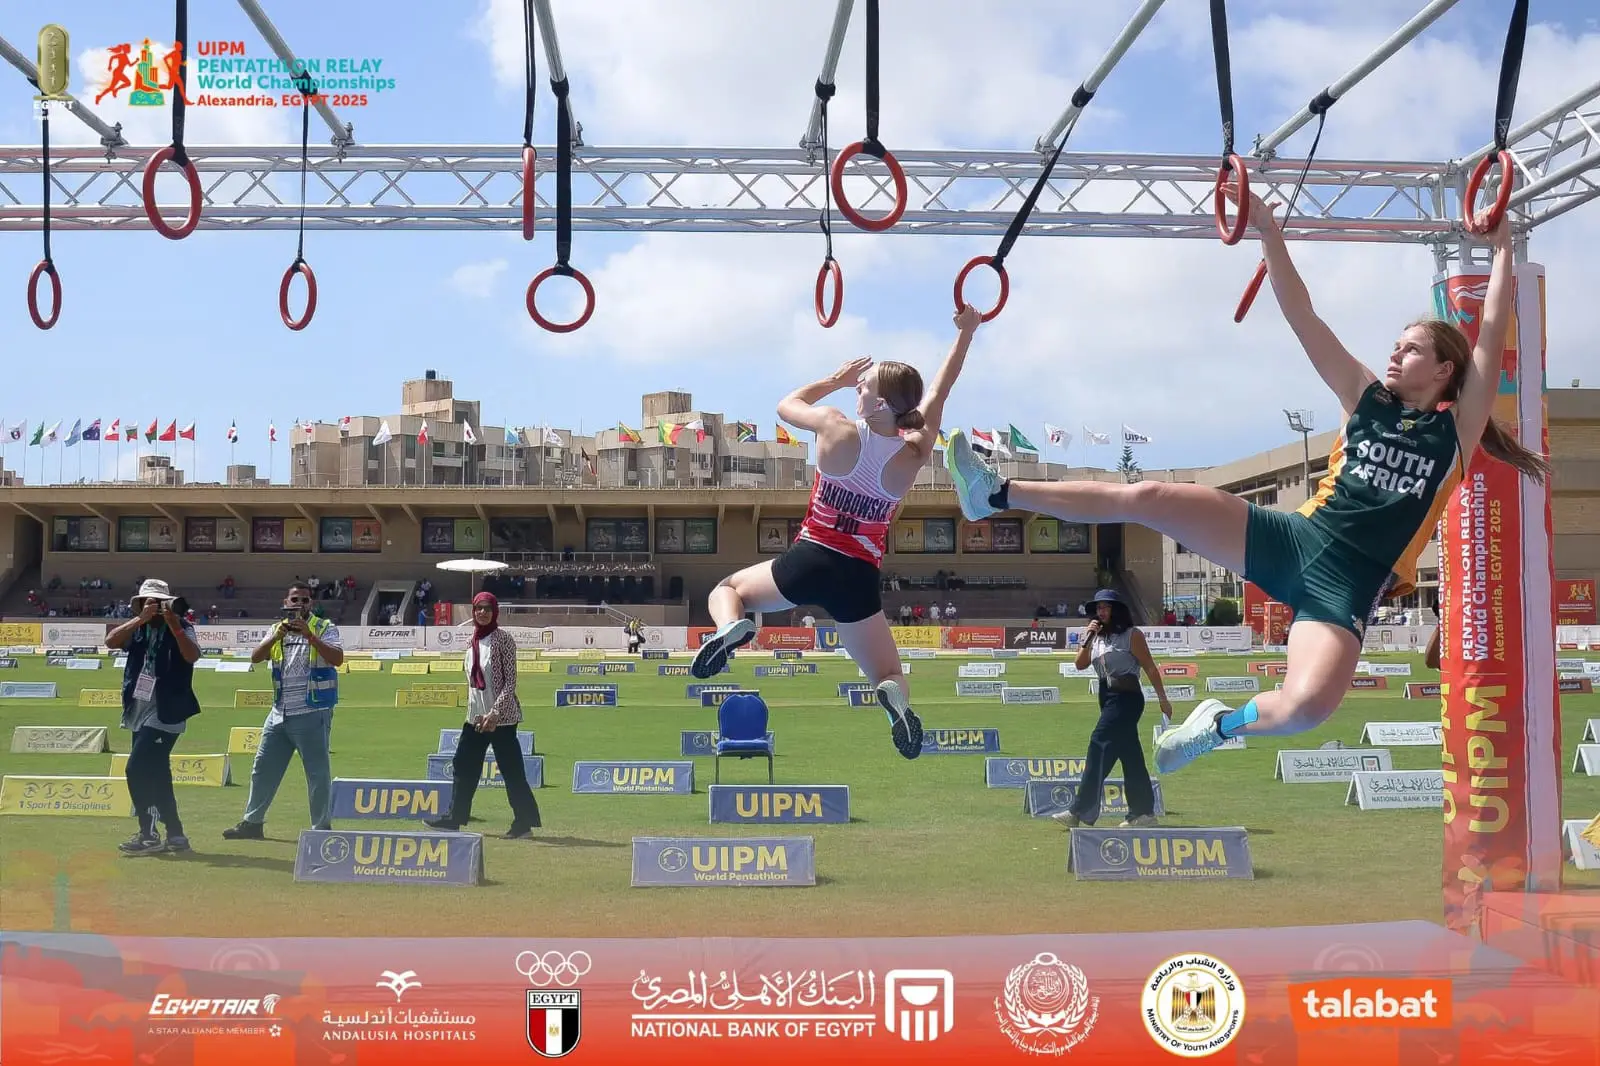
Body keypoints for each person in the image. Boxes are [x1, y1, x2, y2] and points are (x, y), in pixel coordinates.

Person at [943, 198, 1547, 775]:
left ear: (1444, 370)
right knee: (1148, 498)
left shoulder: (1457, 434)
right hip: (1295, 539)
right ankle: (994, 494)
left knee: (1307, 707)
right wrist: (1267, 231)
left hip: (1348, 587)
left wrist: (1499, 252)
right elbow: (1302, 315)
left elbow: (1491, 335)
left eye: (1410, 349)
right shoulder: (1363, 397)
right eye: (1394, 344)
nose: (1394, 353)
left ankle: (1218, 727)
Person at [690, 305, 986, 759]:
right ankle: (895, 704)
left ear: (881, 403)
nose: (857, 391)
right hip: (859, 577)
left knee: (729, 589)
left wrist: (835, 378)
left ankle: (731, 628)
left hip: (810, 558)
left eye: (863, 388)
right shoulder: (914, 451)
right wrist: (966, 333)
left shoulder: (833, 425)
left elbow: (786, 404)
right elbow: (943, 388)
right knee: (887, 671)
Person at [223, 581, 344, 839]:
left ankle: (321, 828)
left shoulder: (324, 627)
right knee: (262, 768)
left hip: (312, 709)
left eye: (304, 600)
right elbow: (255, 658)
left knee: (316, 773)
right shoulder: (276, 629)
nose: (299, 604)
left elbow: (337, 659)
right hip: (280, 710)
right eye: (295, 599)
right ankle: (252, 822)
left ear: (311, 604)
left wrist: (310, 636)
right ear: (286, 602)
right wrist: (276, 636)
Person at [426, 592, 542, 837]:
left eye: (487, 608)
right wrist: (477, 713)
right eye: (478, 608)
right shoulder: (473, 641)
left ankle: (524, 823)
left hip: (502, 719)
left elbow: (510, 682)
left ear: (495, 611)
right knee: (463, 765)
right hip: (476, 718)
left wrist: (495, 713)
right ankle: (454, 817)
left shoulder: (503, 640)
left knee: (511, 770)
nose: (482, 612)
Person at [1052, 589, 1169, 829]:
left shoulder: (1131, 635)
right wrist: (1087, 637)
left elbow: (1149, 667)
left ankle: (1078, 810)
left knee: (1098, 743)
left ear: (1117, 610)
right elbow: (1080, 664)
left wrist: (1163, 698)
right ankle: (1143, 813)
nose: (1101, 612)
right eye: (1098, 608)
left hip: (1126, 697)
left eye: (1106, 607)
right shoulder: (1096, 638)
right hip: (1107, 696)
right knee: (1130, 756)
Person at [105, 579, 201, 855]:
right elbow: (111, 641)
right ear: (140, 604)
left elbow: (192, 656)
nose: (156, 607)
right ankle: (176, 834)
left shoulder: (182, 626)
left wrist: (173, 624)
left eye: (160, 602)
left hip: (167, 709)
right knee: (159, 773)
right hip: (139, 707)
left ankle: (148, 832)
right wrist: (140, 619)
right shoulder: (138, 627)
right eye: (150, 602)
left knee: (135, 769)